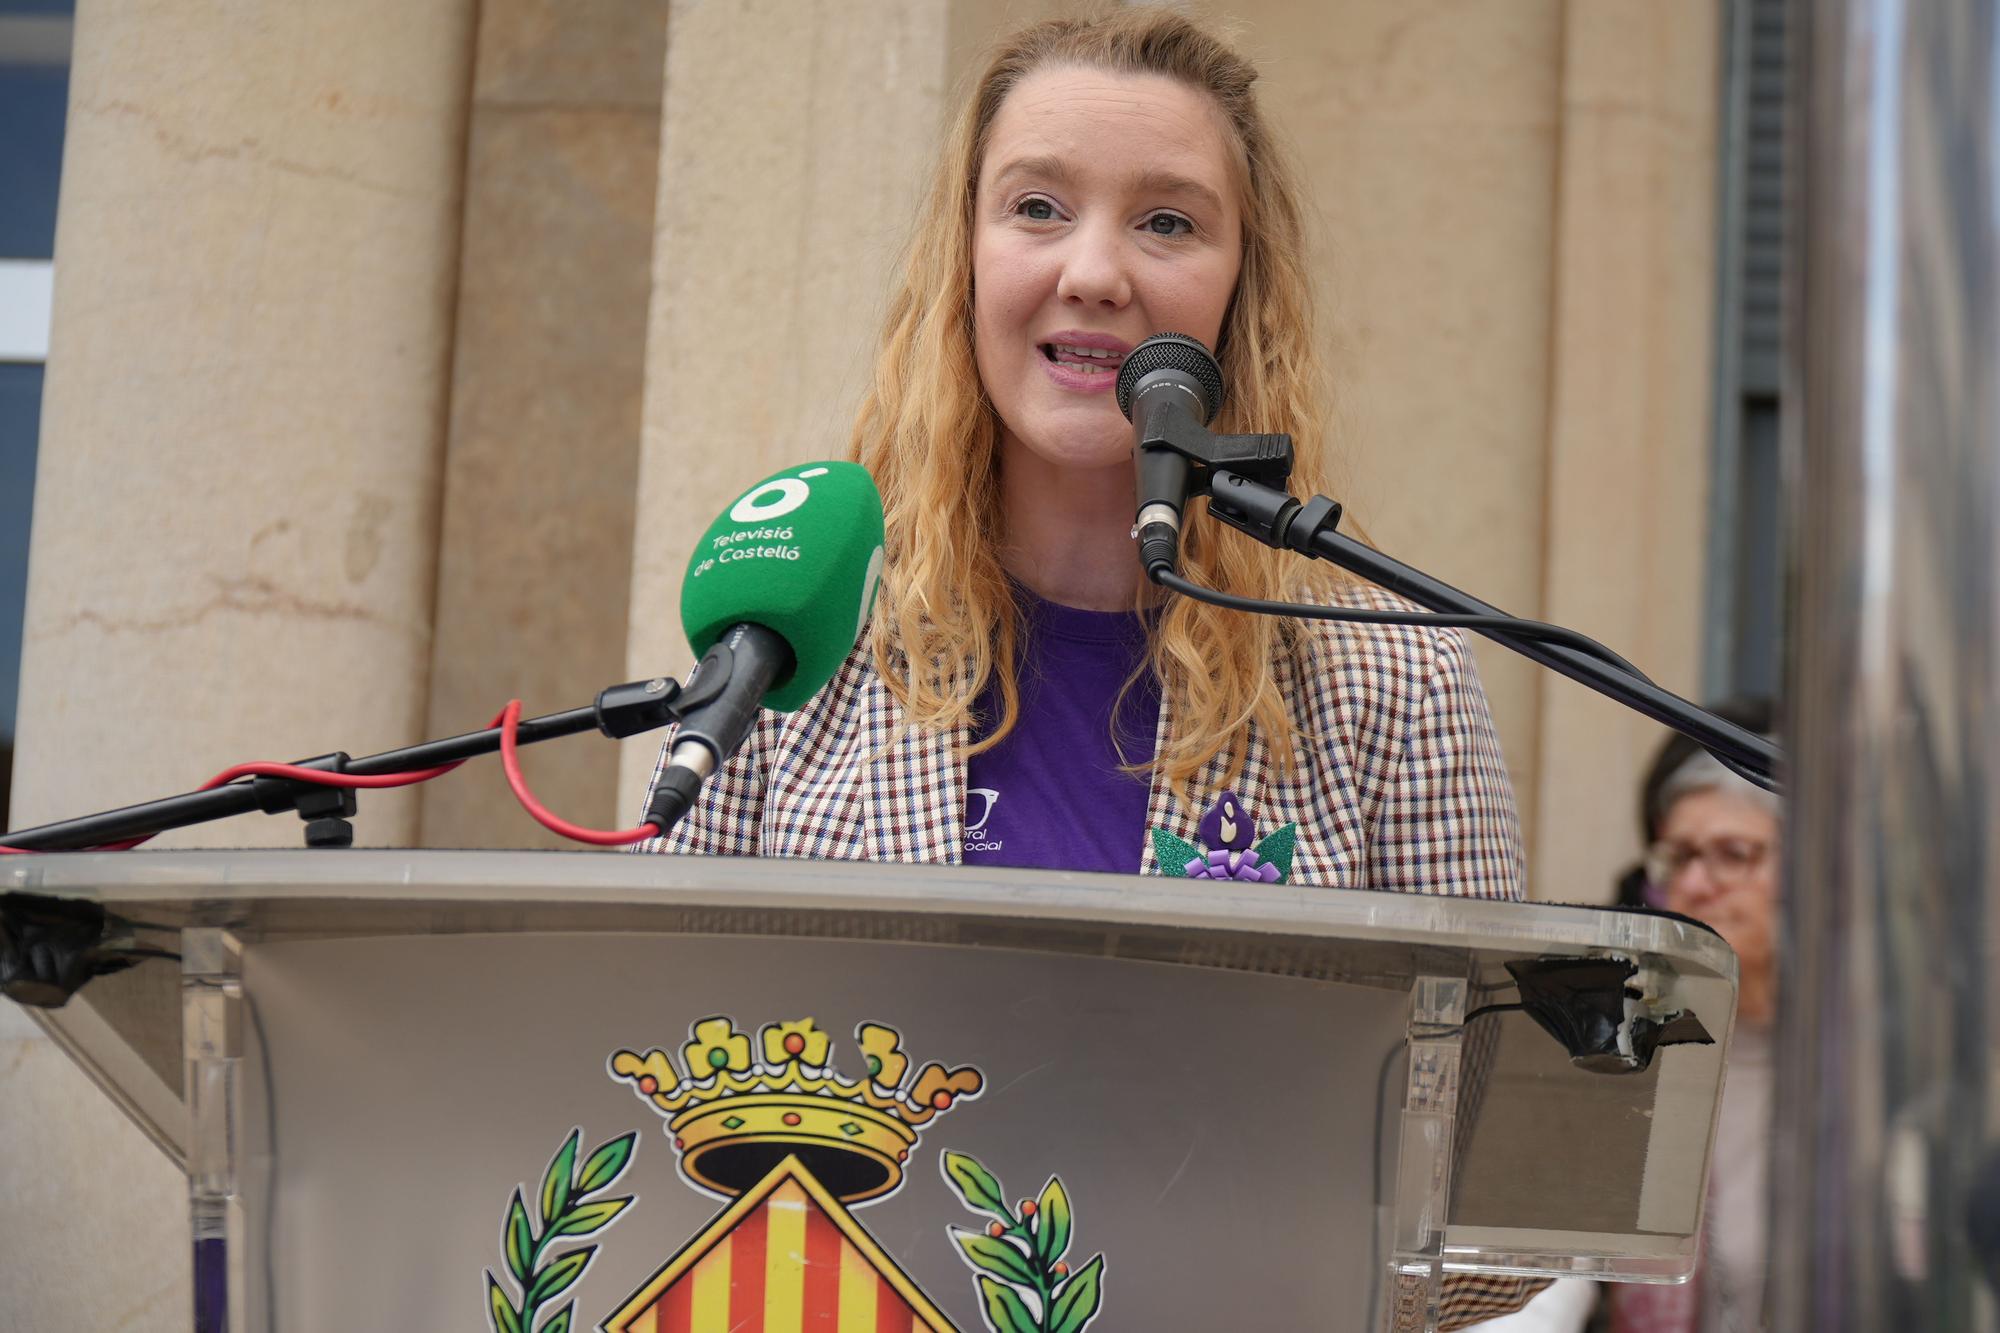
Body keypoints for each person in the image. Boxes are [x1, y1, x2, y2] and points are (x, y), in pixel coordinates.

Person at [642, 11, 1533, 1325]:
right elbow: (632, 1086)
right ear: (965, 256)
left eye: (1168, 223)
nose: (1097, 272)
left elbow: (1501, 1213)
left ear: (1243, 286)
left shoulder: (1384, 678)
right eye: (1039, 207)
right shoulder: (798, 642)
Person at [1604, 705, 1781, 1333]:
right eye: (1679, 857)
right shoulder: (1628, 1051)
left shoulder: (1884, 1068)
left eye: (1734, 854)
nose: (1698, 885)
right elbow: (1552, 1278)